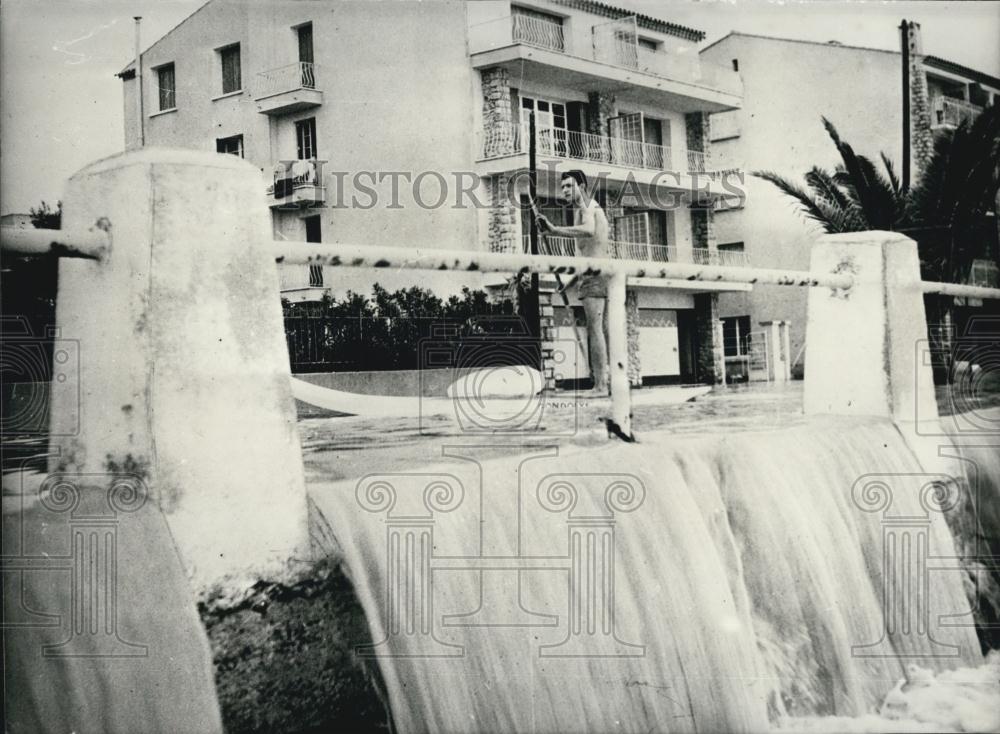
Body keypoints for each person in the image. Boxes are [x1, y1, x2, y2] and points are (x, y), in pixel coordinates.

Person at [535, 170, 611, 396]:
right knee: (599, 329)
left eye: (569, 186)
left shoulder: (586, 205)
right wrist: (572, 279)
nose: (565, 190)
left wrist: (555, 230)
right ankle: (602, 383)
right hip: (591, 273)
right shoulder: (584, 207)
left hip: (595, 274)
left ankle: (600, 385)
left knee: (595, 330)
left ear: (582, 186)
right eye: (563, 187)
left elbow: (589, 232)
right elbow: (588, 249)